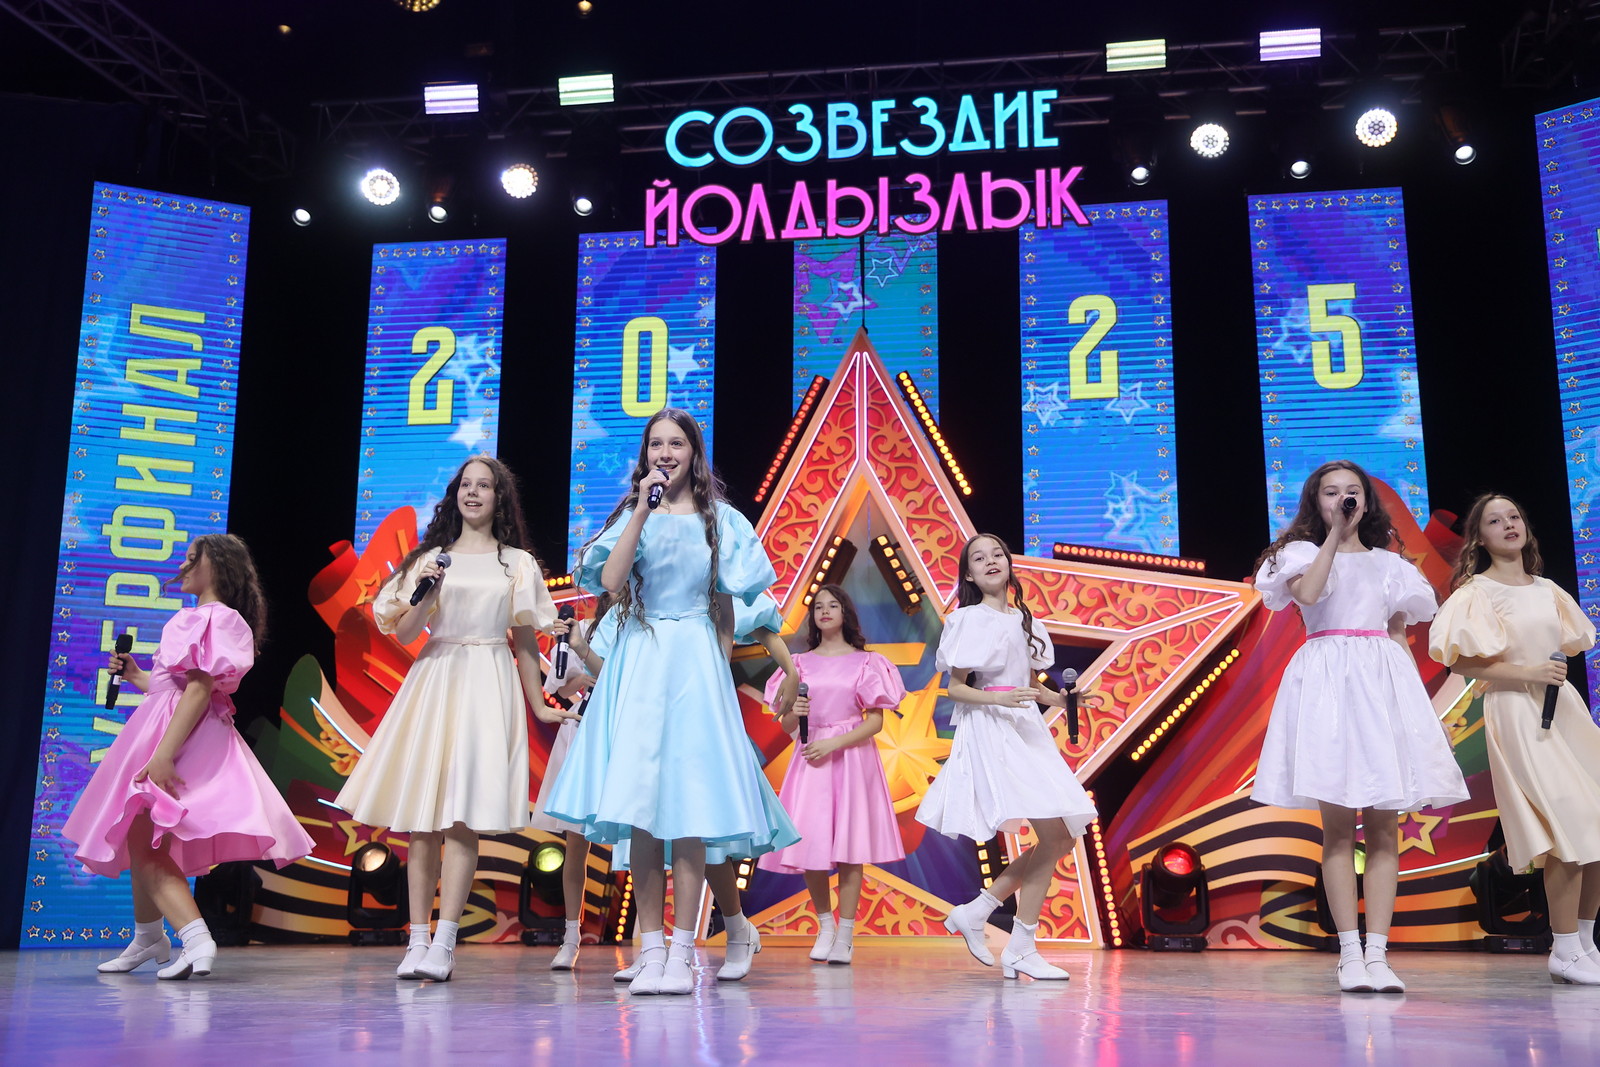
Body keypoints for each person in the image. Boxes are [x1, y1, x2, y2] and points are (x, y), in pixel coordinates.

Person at [545, 408, 798, 995]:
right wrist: (640, 509)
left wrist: (716, 664)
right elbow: (610, 583)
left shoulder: (723, 521)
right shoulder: (635, 514)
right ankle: (652, 949)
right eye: (656, 444)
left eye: (676, 443)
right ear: (645, 455)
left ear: (694, 453)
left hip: (693, 661)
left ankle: (684, 951)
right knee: (642, 810)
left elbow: (730, 605)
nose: (665, 453)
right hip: (640, 657)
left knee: (688, 808)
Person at [335, 455, 566, 982]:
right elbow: (404, 630)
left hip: (487, 676)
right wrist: (428, 592)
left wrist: (537, 704)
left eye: (484, 486)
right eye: (466, 485)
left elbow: (525, 640)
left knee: (462, 816)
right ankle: (417, 939)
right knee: (424, 818)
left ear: (500, 498)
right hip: (436, 676)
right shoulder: (431, 560)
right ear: (454, 494)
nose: (473, 493)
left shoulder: (516, 563)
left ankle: (444, 941)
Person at [1251, 460, 1468, 993]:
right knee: (1338, 829)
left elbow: (1396, 636)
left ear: (1366, 501)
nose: (1343, 499)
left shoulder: (1391, 566)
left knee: (1385, 828)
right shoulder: (1298, 555)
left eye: (1352, 492)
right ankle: (1348, 953)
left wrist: (1421, 716)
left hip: (1381, 684)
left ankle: (1378, 954)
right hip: (1327, 684)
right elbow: (1309, 596)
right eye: (1331, 492)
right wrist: (1334, 537)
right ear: (1316, 501)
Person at [64, 534, 313, 979]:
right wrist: (137, 675)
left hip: (178, 737)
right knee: (141, 835)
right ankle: (148, 936)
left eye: (192, 558)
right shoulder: (207, 619)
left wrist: (164, 754)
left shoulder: (211, 618)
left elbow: (199, 689)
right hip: (171, 728)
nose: (183, 565)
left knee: (145, 838)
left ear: (216, 567)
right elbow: (174, 687)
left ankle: (195, 938)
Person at [1429, 493, 1600, 985]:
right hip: (1518, 710)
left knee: (1595, 821)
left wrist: (1546, 676)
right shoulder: (1477, 592)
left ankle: (1584, 944)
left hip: (1561, 707)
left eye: (1514, 517)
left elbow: (1570, 643)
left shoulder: (1547, 589)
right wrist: (1528, 671)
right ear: (1479, 538)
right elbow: (1460, 661)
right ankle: (1562, 948)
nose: (1508, 525)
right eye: (1494, 520)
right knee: (1569, 820)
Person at [919, 533, 1098, 981]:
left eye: (997, 553)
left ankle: (980, 914)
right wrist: (999, 700)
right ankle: (1018, 945)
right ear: (969, 574)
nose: (991, 561)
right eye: (979, 558)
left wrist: (1064, 700)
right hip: (992, 727)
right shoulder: (968, 619)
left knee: (1062, 837)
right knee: (1055, 835)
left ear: (1009, 562)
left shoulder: (1024, 619)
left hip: (1025, 727)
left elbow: (1030, 686)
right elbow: (955, 688)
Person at [759, 583, 907, 965]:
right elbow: (786, 725)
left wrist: (834, 744)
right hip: (811, 757)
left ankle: (845, 935)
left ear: (845, 613)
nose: (824, 611)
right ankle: (825, 925)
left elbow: (875, 722)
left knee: (849, 849)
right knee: (810, 844)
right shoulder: (798, 664)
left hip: (851, 757)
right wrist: (796, 715)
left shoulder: (867, 662)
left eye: (833, 605)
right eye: (818, 606)